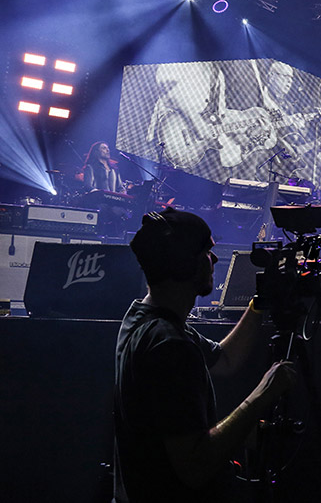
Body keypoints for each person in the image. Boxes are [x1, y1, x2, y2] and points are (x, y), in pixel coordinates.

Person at [114, 208, 297, 502]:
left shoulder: (144, 318)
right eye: (206, 253)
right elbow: (195, 467)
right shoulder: (171, 346)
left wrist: (258, 304)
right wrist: (263, 395)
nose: (213, 260)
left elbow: (224, 360)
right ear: (186, 264)